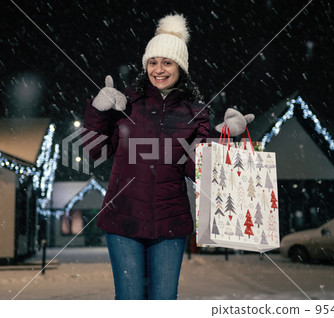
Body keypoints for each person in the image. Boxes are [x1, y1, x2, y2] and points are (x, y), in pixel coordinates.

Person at [83, 13, 253, 300]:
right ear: (145, 65)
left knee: (164, 300)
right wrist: (99, 113)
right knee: (130, 299)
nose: (158, 69)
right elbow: (93, 152)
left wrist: (224, 134)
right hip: (122, 221)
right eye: (153, 62)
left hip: (170, 224)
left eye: (167, 62)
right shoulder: (125, 104)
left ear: (180, 67)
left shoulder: (195, 112)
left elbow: (197, 168)